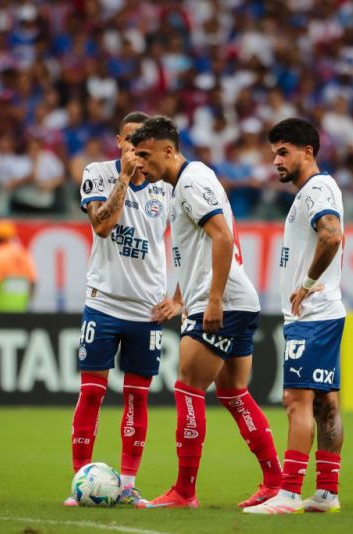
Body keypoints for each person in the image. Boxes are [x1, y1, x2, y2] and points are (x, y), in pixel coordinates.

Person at [130, 116, 282, 510]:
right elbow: (192, 252)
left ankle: (184, 491)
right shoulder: (182, 184)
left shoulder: (192, 182)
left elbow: (222, 236)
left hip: (222, 302)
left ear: (168, 150)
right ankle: (275, 481)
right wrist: (182, 297)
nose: (140, 164)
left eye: (145, 155)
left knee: (187, 387)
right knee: (233, 392)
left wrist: (212, 300)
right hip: (235, 299)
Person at [64, 112, 174, 507]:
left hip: (148, 312)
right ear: (118, 141)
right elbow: (102, 226)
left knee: (136, 398)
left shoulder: (166, 187)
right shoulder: (98, 173)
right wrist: (124, 179)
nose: (135, 150)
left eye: (142, 144)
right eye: (129, 141)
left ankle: (128, 486)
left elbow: (189, 244)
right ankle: (79, 483)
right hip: (104, 304)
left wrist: (177, 298)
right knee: (91, 393)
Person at [244, 118, 346, 515]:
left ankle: (287, 494)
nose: (276, 161)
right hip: (321, 314)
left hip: (313, 315)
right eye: (273, 153)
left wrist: (305, 283)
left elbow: (331, 235)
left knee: (295, 399)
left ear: (308, 151)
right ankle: (326, 493)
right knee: (325, 403)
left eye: (283, 151)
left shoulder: (318, 189)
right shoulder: (309, 194)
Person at [0, 220, 36, 312]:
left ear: (0, 238)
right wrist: (28, 303)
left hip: (0, 308)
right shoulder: (23, 253)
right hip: (21, 308)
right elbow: (33, 281)